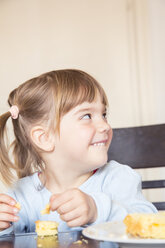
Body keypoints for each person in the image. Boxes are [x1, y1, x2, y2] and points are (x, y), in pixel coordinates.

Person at [0, 69, 156, 235]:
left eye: (104, 114)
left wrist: (97, 210)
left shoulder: (118, 178)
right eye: (87, 116)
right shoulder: (21, 195)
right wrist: (3, 226)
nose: (105, 126)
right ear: (44, 138)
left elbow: (149, 224)